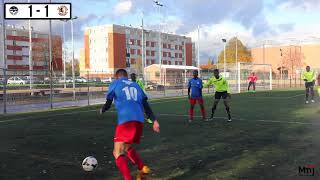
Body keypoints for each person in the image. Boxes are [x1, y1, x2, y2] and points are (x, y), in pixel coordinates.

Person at [100, 69, 160, 180]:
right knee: (127, 147)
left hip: (126, 121)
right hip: (139, 121)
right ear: (126, 76)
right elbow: (146, 105)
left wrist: (103, 109)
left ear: (116, 77)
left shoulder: (115, 83)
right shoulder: (136, 85)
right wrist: (154, 120)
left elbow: (108, 103)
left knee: (117, 152)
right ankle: (142, 168)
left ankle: (128, 178)